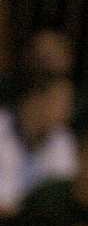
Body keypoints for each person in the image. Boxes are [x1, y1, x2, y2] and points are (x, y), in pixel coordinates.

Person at [0, 71, 77, 218]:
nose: (67, 112)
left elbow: (60, 194)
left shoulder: (63, 140)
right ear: (35, 98)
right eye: (61, 102)